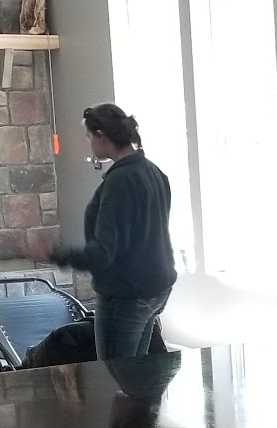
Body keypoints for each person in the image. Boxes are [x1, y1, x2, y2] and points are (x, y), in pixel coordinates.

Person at [31, 103, 177, 361]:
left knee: (113, 374)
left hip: (127, 293)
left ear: (100, 135)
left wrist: (54, 254)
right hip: (156, 287)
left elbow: (104, 252)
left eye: (88, 136)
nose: (89, 143)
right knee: (136, 371)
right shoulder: (154, 172)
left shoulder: (120, 181)